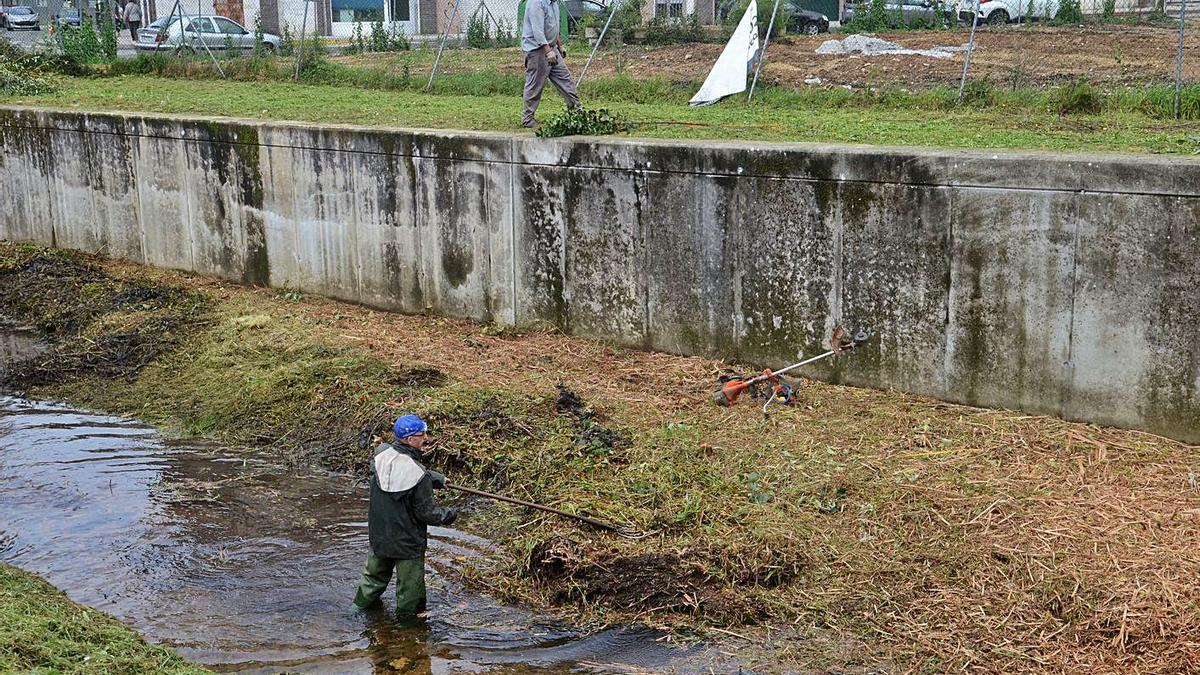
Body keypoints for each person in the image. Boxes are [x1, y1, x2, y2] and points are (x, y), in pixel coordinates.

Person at [353, 414, 458, 620]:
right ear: (411, 440)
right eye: (422, 434)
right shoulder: (419, 476)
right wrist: (450, 514)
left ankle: (356, 611)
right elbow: (427, 513)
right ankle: (408, 628)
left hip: (379, 537)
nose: (425, 438)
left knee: (372, 579)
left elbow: (402, 466)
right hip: (407, 543)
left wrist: (436, 479)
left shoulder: (380, 456)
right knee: (410, 588)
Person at [520, 0, 581, 129]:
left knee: (565, 79)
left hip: (551, 47)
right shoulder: (536, 3)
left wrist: (559, 46)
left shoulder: (554, 3)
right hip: (537, 50)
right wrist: (548, 51)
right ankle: (528, 119)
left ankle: (576, 110)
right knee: (535, 84)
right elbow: (538, 31)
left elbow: (554, 27)